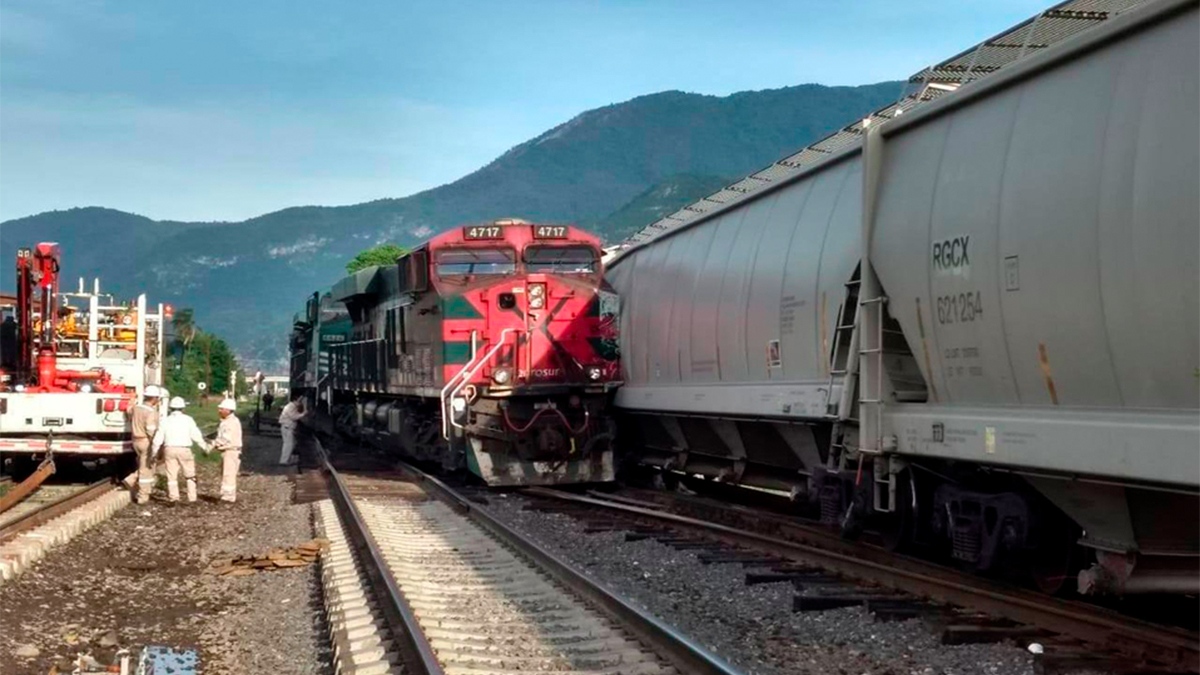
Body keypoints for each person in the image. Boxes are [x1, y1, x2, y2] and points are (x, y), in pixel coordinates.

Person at [151, 397, 209, 503]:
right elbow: (196, 435)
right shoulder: (188, 420)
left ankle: (174, 497)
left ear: (171, 408)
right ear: (183, 408)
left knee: (171, 475)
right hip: (185, 449)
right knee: (190, 475)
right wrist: (204, 446)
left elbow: (158, 438)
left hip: (169, 449)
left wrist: (154, 452)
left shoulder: (165, 420)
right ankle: (192, 498)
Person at [129, 385, 162, 504]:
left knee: (144, 465)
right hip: (146, 441)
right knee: (145, 469)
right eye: (158, 398)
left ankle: (141, 486)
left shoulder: (136, 408)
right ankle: (142, 496)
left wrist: (131, 400)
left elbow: (128, 411)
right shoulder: (151, 412)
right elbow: (151, 430)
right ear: (154, 398)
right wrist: (157, 444)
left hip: (135, 440)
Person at [211, 398, 243, 503]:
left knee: (228, 474)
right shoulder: (230, 421)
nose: (219, 410)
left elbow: (226, 438)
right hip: (230, 451)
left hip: (230, 450)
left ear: (228, 410)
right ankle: (227, 495)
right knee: (227, 473)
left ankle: (228, 497)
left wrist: (215, 444)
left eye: (221, 409)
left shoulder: (230, 423)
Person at [278, 395, 306, 465]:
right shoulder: (291, 407)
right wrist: (304, 414)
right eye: (299, 401)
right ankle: (284, 461)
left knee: (289, 444)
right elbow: (294, 417)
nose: (300, 403)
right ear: (295, 400)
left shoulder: (291, 406)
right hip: (287, 427)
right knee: (288, 444)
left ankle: (286, 460)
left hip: (287, 427)